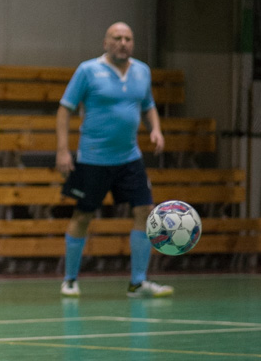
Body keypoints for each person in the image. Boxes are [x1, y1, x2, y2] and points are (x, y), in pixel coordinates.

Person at [56, 22, 174, 298]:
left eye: (128, 38)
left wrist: (156, 129)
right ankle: (70, 280)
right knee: (82, 215)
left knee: (145, 211)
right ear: (105, 43)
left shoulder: (142, 71)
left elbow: (148, 105)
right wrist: (62, 150)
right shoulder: (87, 71)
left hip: (130, 158)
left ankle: (138, 283)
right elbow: (64, 110)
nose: (123, 43)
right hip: (93, 159)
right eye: (117, 38)